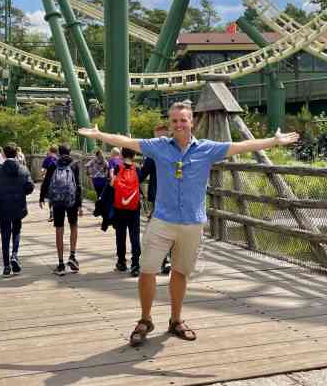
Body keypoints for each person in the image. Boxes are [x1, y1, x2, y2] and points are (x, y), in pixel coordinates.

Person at [79, 100, 299, 346]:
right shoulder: (160, 146)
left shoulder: (206, 148)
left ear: (191, 122)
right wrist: (99, 135)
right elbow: (128, 143)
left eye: (183, 120)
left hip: (192, 222)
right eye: (174, 121)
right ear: (170, 124)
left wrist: (273, 141)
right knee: (147, 270)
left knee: (180, 272)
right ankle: (145, 319)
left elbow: (240, 146)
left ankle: (175, 320)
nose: (179, 124)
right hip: (163, 220)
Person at [0, 143, 35, 277]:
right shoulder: (23, 170)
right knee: (16, 231)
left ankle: (6, 266)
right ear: (16, 154)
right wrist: (21, 193)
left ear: (3, 154)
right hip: (18, 206)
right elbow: (30, 187)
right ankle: (14, 255)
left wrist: (0, 194)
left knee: (5, 235)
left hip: (3, 206)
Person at [39, 143, 81, 276]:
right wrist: (79, 204)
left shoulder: (53, 164)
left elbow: (46, 182)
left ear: (58, 152)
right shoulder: (74, 165)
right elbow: (78, 185)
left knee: (59, 229)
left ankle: (61, 263)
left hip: (57, 201)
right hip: (72, 200)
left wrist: (41, 197)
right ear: (70, 152)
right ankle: (72, 256)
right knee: (73, 226)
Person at [139, 124, 171, 275]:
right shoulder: (177, 151)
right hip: (174, 196)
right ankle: (170, 259)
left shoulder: (153, 154)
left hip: (158, 197)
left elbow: (142, 174)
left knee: (160, 230)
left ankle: (163, 260)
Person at [112, 147, 141, 277]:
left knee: (121, 234)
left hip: (120, 207)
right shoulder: (138, 168)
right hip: (134, 207)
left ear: (122, 155)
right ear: (134, 155)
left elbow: (113, 184)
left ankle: (121, 262)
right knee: (134, 235)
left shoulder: (118, 168)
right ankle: (135, 263)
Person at [41, 145, 58, 222]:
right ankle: (56, 213)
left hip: (49, 181)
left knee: (50, 197)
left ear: (50, 151)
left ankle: (51, 213)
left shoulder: (47, 159)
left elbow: (43, 170)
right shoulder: (59, 159)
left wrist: (43, 175)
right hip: (58, 180)